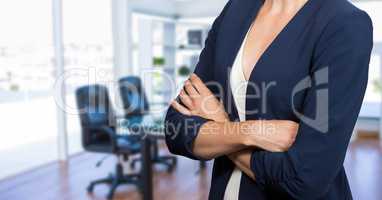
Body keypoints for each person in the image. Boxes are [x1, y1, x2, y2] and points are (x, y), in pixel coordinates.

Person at [164, 0, 373, 199]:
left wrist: (220, 128)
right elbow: (177, 127)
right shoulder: (235, 10)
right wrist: (250, 132)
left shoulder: (345, 24)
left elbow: (305, 178)